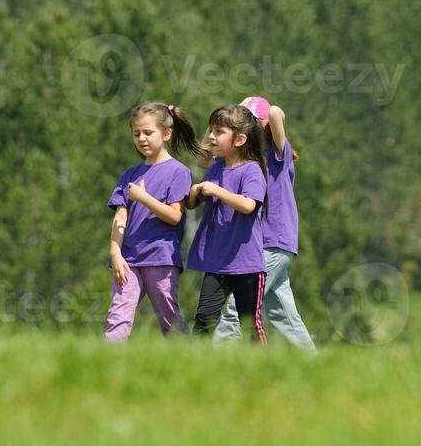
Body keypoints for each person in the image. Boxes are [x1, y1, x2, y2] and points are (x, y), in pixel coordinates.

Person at [214, 96, 316, 351]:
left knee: (237, 307)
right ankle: (312, 360)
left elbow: (277, 114)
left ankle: (212, 357)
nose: (244, 128)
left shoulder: (279, 154)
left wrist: (262, 115)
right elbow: (209, 151)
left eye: (249, 122)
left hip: (273, 241)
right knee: (283, 313)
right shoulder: (245, 160)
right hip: (260, 245)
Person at [104, 103, 205, 342]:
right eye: (136, 133)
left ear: (166, 134)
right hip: (128, 260)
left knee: (169, 317)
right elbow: (120, 217)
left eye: (148, 132)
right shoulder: (129, 174)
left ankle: (188, 359)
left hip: (161, 257)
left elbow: (174, 216)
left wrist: (144, 198)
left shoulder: (178, 172)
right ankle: (106, 363)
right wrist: (115, 253)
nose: (141, 138)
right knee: (118, 315)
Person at [186, 104, 268, 344]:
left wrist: (218, 191)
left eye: (218, 132)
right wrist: (194, 191)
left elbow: (248, 205)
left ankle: (264, 366)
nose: (211, 137)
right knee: (204, 318)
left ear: (240, 139)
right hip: (217, 263)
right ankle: (194, 366)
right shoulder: (216, 168)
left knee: (249, 323)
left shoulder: (252, 170)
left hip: (247, 265)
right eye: (211, 130)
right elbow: (193, 204)